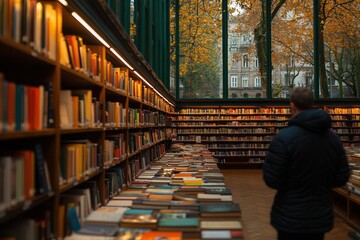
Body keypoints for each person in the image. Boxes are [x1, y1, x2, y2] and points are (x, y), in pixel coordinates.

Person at [263, 87, 350, 240]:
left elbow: (272, 179)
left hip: (290, 214)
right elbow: (342, 177)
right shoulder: (333, 139)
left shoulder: (284, 138)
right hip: (319, 213)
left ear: (292, 105)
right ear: (312, 105)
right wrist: (321, 183)